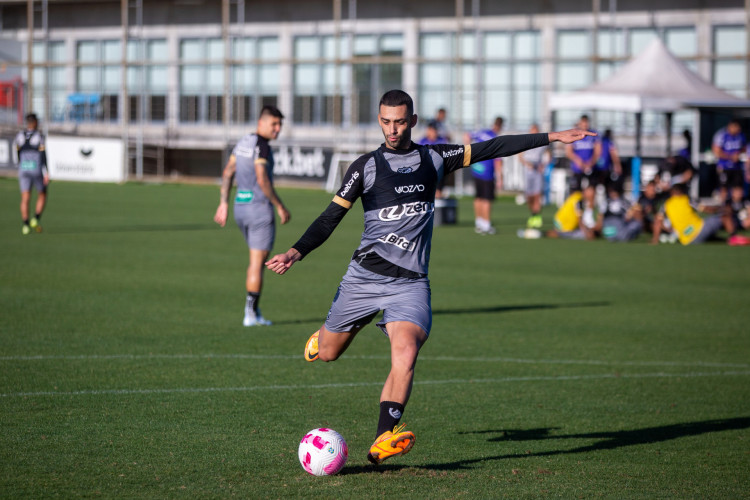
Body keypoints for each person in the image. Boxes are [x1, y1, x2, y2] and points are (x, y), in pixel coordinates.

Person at [265, 90, 593, 465]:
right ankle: (325, 335)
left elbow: (494, 147)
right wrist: (296, 251)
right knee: (328, 353)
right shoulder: (364, 167)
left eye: (400, 121)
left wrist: (552, 137)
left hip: (411, 284)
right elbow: (329, 218)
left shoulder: (434, 157)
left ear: (413, 121)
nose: (392, 129)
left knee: (405, 353)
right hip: (364, 278)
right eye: (386, 121)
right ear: (379, 119)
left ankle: (382, 438)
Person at [214, 105, 291, 327]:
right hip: (259, 210)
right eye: (274, 124)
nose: (277, 130)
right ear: (261, 122)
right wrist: (279, 205)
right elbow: (262, 178)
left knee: (253, 262)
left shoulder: (243, 142)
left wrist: (223, 204)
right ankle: (251, 314)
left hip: (240, 206)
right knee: (257, 265)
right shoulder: (262, 146)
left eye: (280, 125)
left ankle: (253, 313)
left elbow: (228, 172)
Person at [651, 183, 732, 245]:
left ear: (672, 193)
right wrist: (720, 208)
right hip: (698, 229)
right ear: (681, 191)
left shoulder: (666, 204)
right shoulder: (686, 199)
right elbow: (706, 209)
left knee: (709, 233)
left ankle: (721, 239)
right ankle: (734, 238)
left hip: (687, 241)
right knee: (724, 217)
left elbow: (657, 222)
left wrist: (655, 239)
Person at [467, 116, 504, 234]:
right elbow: (498, 161)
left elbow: (467, 135)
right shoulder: (496, 139)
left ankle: (479, 223)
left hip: (477, 169)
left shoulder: (482, 133)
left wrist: (468, 155)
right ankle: (486, 224)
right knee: (487, 199)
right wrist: (500, 178)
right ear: (500, 126)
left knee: (478, 197)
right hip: (487, 172)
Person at [15, 113, 49, 235]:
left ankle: (25, 225)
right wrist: (46, 172)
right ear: (34, 123)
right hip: (36, 168)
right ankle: (35, 218)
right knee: (42, 194)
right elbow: (43, 155)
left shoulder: (19, 135)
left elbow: (17, 153)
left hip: (23, 168)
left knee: (25, 198)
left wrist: (20, 164)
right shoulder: (39, 136)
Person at [518, 123, 548, 229]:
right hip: (528, 171)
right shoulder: (525, 142)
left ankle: (537, 216)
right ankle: (533, 214)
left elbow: (548, 154)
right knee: (529, 196)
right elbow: (520, 156)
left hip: (537, 171)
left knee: (537, 194)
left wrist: (543, 165)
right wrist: (527, 164)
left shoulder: (542, 143)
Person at [712, 119, 747, 201]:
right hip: (724, 167)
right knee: (724, 189)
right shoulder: (721, 135)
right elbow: (716, 151)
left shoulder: (741, 136)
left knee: (738, 189)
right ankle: (724, 210)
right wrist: (731, 157)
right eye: (737, 127)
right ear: (731, 126)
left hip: (737, 167)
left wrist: (739, 155)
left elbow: (744, 148)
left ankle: (736, 207)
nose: (738, 129)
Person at [565, 114, 600, 191]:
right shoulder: (574, 134)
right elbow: (568, 152)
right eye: (583, 123)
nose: (585, 125)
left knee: (591, 190)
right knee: (576, 191)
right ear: (580, 123)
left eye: (586, 123)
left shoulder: (593, 134)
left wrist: (590, 163)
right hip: (577, 168)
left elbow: (598, 151)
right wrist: (578, 161)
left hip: (590, 167)